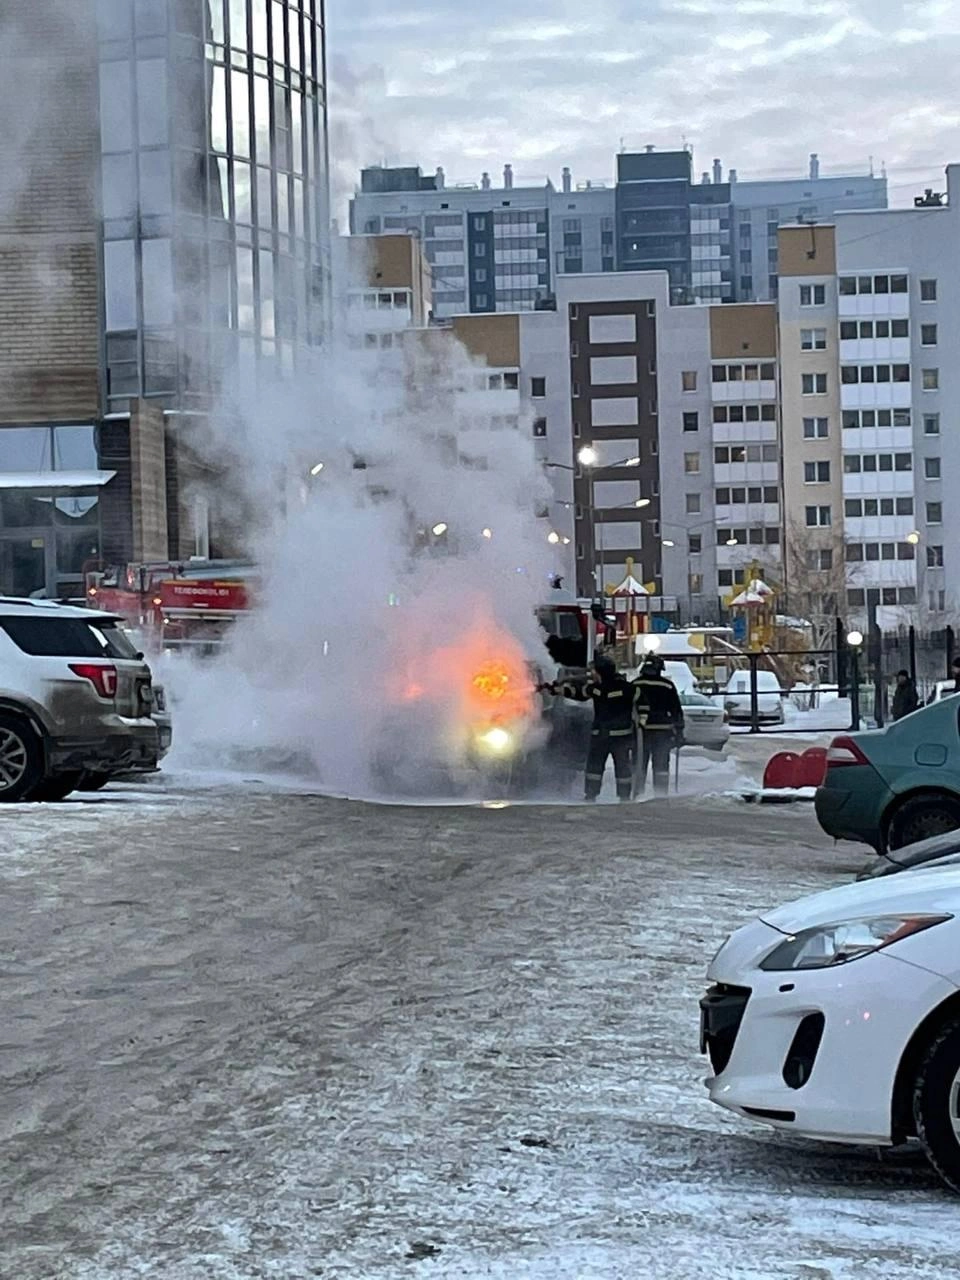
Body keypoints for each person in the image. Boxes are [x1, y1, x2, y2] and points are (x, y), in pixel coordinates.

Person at [542, 654, 636, 802]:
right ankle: (621, 797)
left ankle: (595, 796)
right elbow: (578, 693)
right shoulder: (623, 688)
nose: (593, 674)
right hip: (615, 737)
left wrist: (558, 690)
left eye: (595, 672)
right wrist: (556, 690)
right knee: (610, 768)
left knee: (601, 768)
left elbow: (580, 693)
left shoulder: (605, 689)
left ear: (602, 672)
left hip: (609, 737)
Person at [633, 655, 684, 797]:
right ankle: (660, 793)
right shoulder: (667, 685)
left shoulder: (635, 684)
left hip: (641, 732)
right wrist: (679, 731)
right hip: (662, 732)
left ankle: (637, 792)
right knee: (661, 765)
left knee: (639, 764)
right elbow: (676, 711)